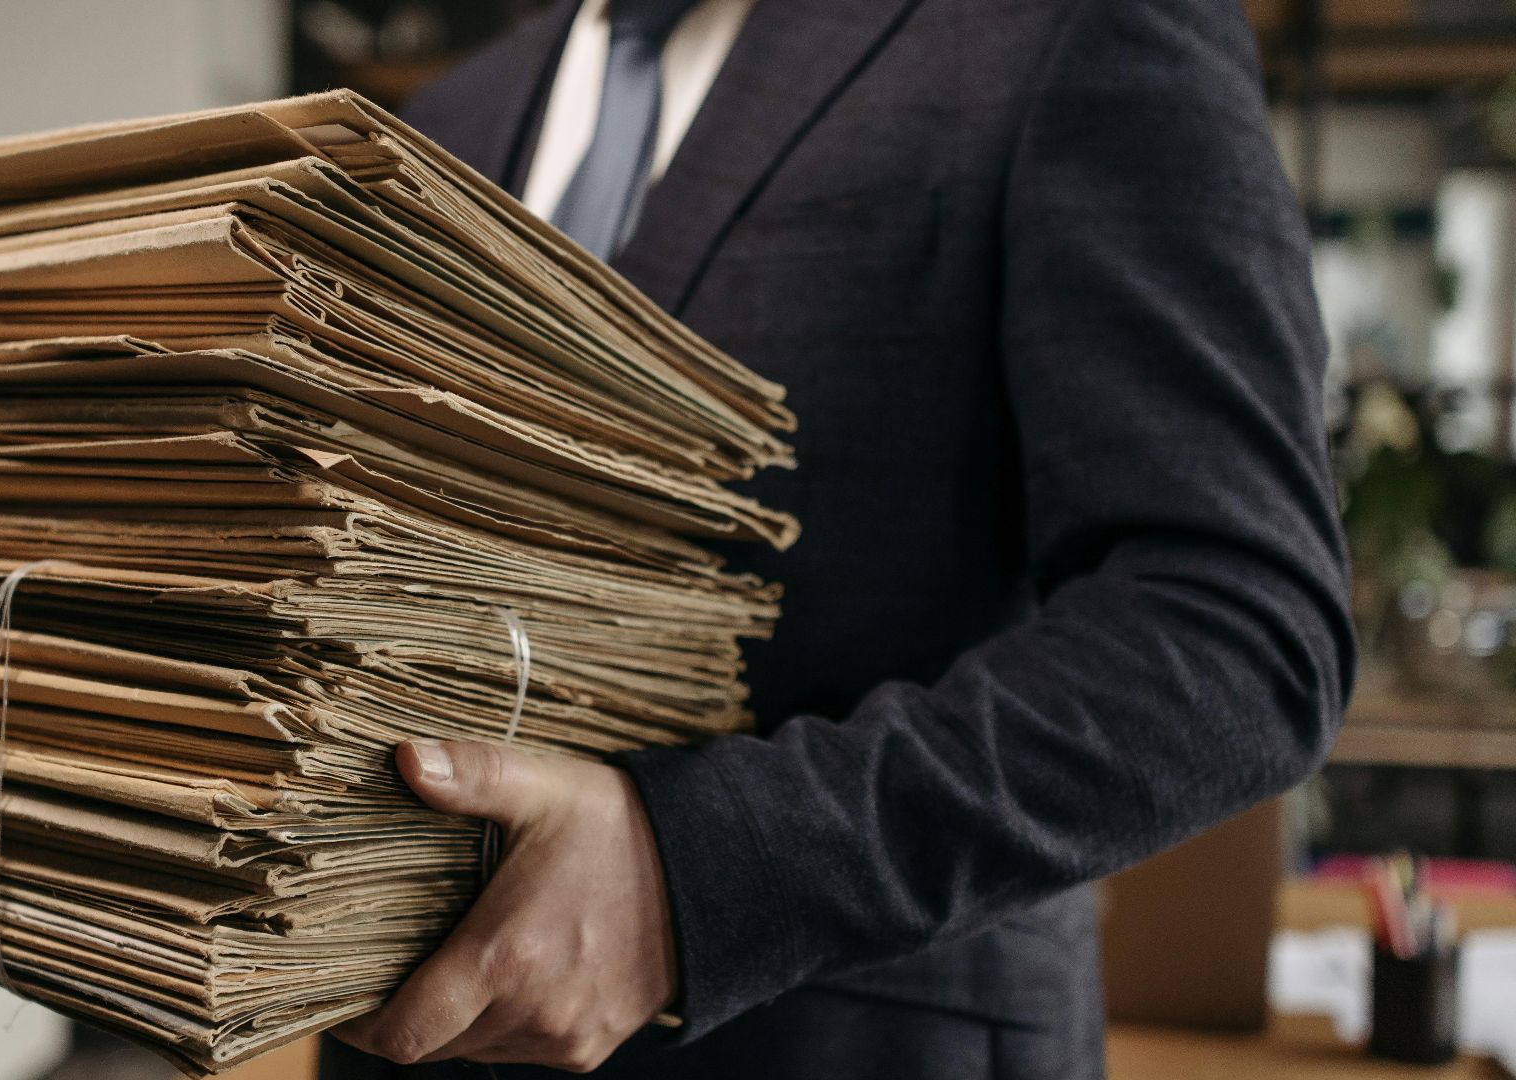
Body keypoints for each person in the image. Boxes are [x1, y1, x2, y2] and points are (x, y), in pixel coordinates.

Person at [324, 0, 1353, 1075]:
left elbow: (1241, 619)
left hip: (850, 1043)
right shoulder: (448, 117)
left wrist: (693, 879)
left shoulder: (1067, 26)